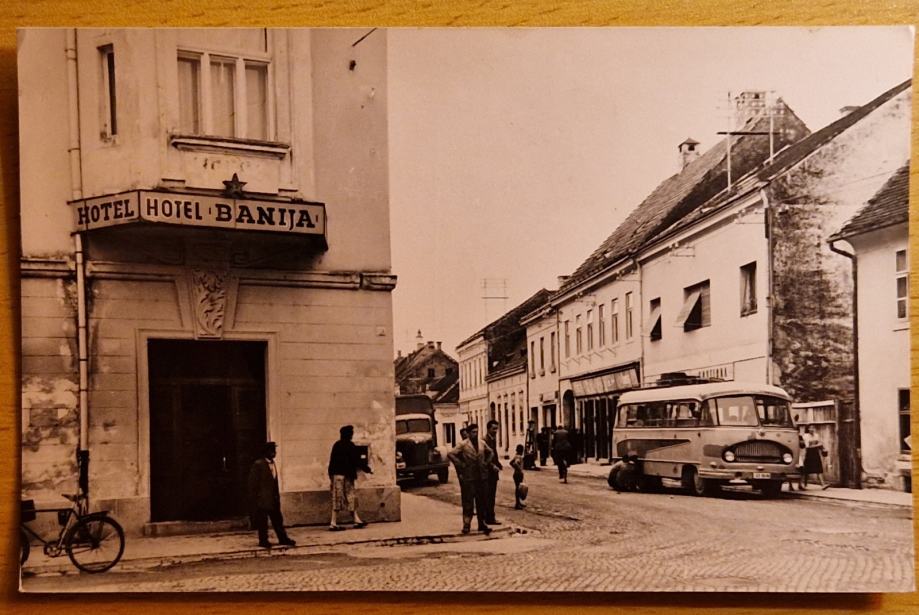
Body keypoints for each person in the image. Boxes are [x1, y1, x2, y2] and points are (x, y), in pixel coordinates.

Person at [247, 441, 296, 549]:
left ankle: (283, 538)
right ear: (266, 452)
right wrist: (256, 499)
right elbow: (252, 484)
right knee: (263, 522)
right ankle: (263, 540)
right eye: (272, 451)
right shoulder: (258, 464)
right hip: (262, 499)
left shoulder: (273, 464)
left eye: (274, 450)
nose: (274, 453)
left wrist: (276, 497)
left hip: (273, 499)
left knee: (278, 520)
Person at [447, 423, 492, 535]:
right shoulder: (463, 444)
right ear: (468, 433)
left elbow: (491, 452)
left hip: (481, 477)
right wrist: (460, 464)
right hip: (469, 477)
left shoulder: (481, 443)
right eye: (473, 432)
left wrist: (486, 463)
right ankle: (466, 524)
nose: (475, 434)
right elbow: (451, 454)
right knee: (468, 502)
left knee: (482, 501)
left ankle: (482, 523)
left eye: (477, 432)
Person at [328, 425, 373, 531]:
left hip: (337, 475)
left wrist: (330, 476)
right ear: (349, 435)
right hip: (348, 476)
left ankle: (352, 520)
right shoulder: (351, 446)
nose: (352, 435)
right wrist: (367, 469)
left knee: (337, 498)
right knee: (350, 497)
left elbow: (332, 461)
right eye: (351, 433)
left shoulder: (337, 445)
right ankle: (335, 523)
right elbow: (357, 461)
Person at [483, 419, 502, 525]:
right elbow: (484, 457)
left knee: (491, 495)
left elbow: (494, 454)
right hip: (488, 473)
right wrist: (492, 466)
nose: (495, 431)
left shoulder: (492, 439)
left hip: (493, 472)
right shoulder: (485, 440)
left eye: (496, 429)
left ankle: (489, 517)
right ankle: (489, 518)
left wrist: (498, 463)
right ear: (488, 429)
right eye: (493, 429)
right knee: (489, 495)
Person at [801, 425, 829, 490]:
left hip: (816, 453)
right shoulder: (805, 436)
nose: (812, 429)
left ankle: (823, 484)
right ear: (808, 429)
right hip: (809, 453)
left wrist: (823, 449)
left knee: (819, 468)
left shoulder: (816, 435)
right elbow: (807, 447)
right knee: (806, 470)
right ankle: (803, 485)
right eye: (810, 428)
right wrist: (817, 445)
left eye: (813, 428)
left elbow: (819, 444)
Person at [510, 444, 526, 509]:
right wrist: (520, 469)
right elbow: (516, 463)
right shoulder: (519, 457)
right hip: (518, 474)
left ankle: (518, 502)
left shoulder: (516, 456)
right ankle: (517, 504)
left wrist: (515, 468)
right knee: (518, 489)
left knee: (518, 489)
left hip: (515, 474)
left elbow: (511, 463)